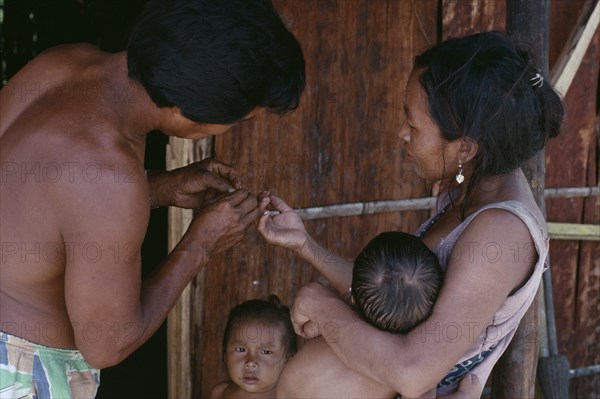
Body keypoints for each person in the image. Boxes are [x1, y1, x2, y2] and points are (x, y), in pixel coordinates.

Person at [0, 0, 304, 397]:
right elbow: (106, 343)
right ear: (185, 112)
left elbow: (41, 194)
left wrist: (160, 187)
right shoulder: (109, 176)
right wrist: (200, 244)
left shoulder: (62, 64)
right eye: (240, 120)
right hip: (19, 372)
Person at [257, 30, 563, 397]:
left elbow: (412, 370)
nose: (402, 133)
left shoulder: (499, 233)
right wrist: (306, 245)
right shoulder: (464, 194)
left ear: (465, 148)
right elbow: (391, 299)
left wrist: (322, 308)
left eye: (414, 124)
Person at [210, 295, 297, 399]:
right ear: (225, 354)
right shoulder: (220, 392)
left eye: (265, 352)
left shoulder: (289, 396)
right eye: (241, 349)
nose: (251, 363)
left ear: (288, 359)